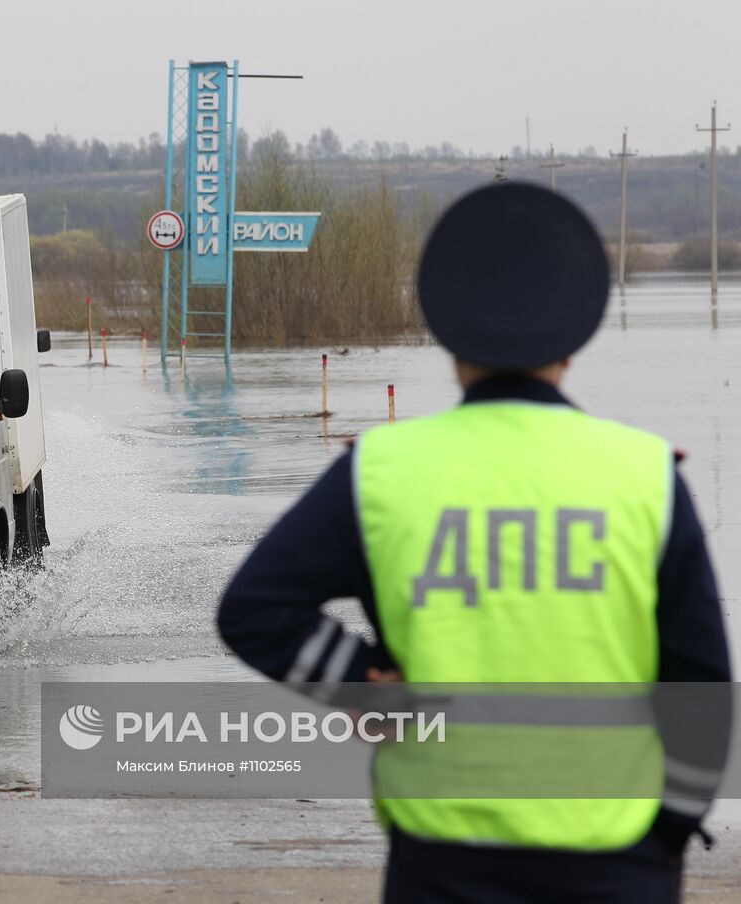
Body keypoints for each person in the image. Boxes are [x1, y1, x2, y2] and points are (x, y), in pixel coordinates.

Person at [217, 183, 730, 903]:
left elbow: (253, 610)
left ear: (447, 336)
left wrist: (364, 686)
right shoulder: (644, 475)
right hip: (616, 859)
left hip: (441, 861)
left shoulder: (381, 472)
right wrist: (669, 830)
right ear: (572, 343)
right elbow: (702, 688)